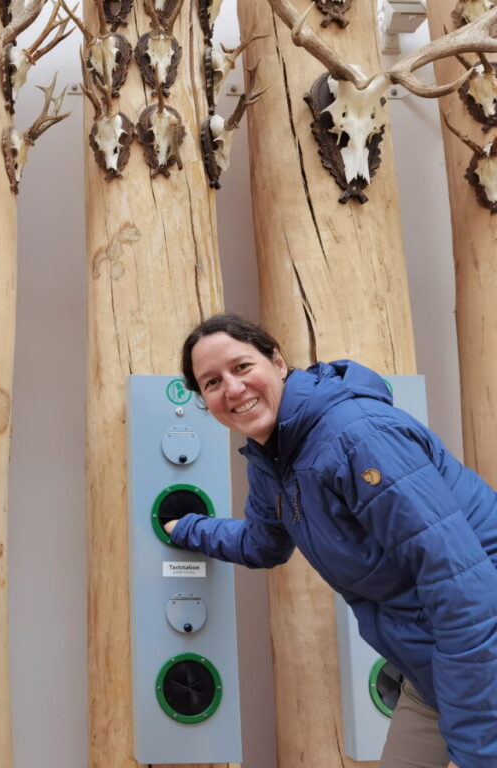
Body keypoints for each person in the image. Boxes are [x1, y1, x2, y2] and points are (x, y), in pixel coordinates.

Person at [166, 313, 497, 768]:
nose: (233, 389)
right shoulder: (272, 457)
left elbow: (465, 590)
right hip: (433, 664)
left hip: (477, 650)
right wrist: (187, 528)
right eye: (212, 382)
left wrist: (477, 751)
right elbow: (265, 543)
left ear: (278, 362)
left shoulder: (356, 435)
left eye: (242, 367)